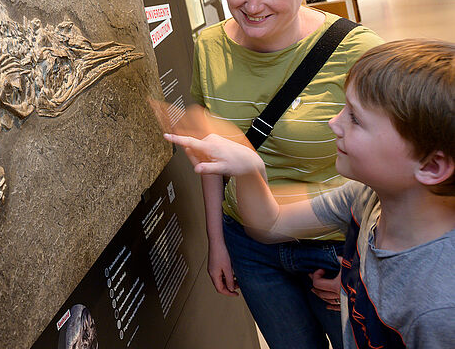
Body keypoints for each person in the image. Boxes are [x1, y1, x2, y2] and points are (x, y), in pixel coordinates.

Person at [168, 39, 455, 349]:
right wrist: (250, 168)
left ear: (431, 165)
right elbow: (272, 223)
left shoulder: (439, 307)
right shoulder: (367, 198)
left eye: (355, 119)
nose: (334, 123)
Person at [190, 0, 382, 348]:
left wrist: (364, 264)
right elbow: (210, 159)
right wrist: (217, 243)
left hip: (334, 247)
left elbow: (402, 163)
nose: (252, 5)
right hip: (252, 248)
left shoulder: (358, 50)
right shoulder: (208, 47)